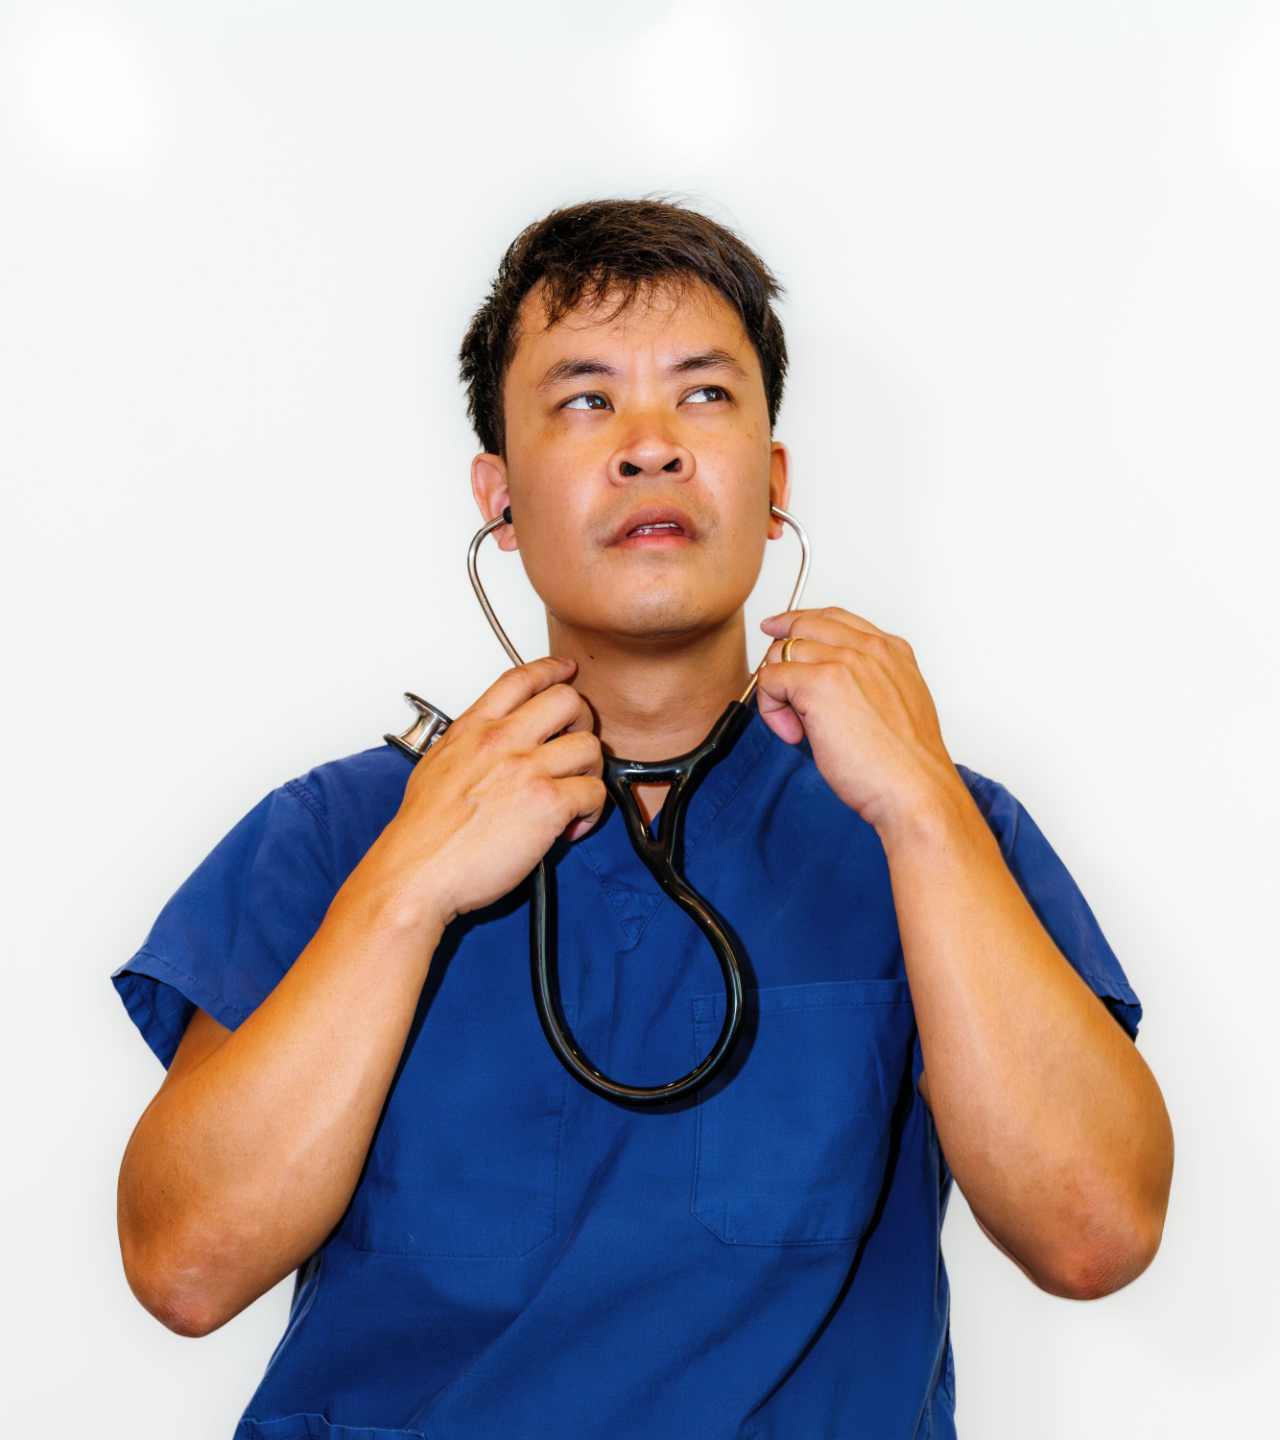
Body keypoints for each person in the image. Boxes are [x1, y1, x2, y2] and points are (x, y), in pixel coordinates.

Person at [114, 199, 1173, 1440]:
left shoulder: (929, 826)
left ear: (772, 485)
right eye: (584, 400)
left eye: (703, 395)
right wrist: (405, 892)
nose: (650, 448)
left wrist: (922, 813)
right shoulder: (339, 832)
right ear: (499, 501)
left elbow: (1092, 1234)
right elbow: (185, 1267)